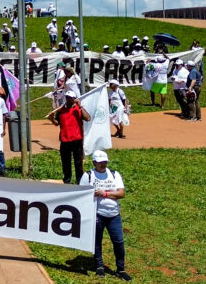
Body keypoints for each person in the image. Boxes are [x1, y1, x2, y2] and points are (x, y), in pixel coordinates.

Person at [80, 150, 132, 281]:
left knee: (119, 242)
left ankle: (121, 269)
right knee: (97, 241)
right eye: (100, 162)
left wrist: (105, 194)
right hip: (97, 214)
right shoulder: (88, 176)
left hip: (114, 215)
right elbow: (81, 194)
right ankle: (99, 266)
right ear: (94, 163)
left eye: (104, 162)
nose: (103, 164)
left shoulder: (114, 175)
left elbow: (121, 194)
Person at [47, 90, 91, 184]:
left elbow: (88, 118)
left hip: (76, 140)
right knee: (65, 162)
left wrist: (81, 106)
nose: (68, 99)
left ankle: (80, 181)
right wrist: (51, 119)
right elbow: (57, 123)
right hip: (64, 140)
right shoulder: (61, 110)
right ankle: (67, 181)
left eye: (70, 98)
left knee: (78, 162)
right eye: (67, 97)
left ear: (74, 99)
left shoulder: (78, 109)